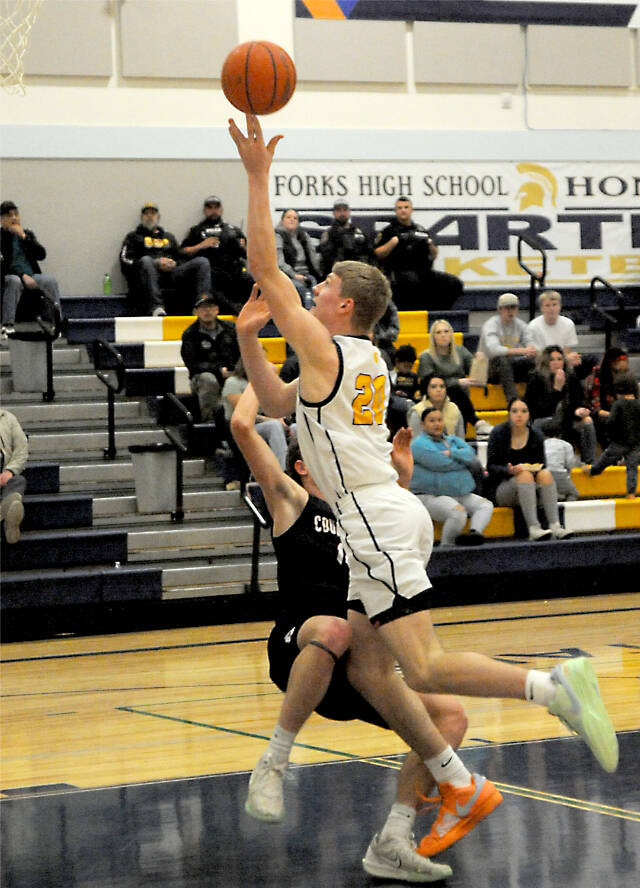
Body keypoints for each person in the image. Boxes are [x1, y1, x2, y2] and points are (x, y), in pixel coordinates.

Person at [228, 113, 618, 863]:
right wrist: (248, 340)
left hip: (372, 518)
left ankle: (554, 685)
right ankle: (441, 793)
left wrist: (254, 174)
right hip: (385, 513)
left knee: (427, 666)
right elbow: (275, 406)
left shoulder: (329, 346)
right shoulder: (360, 357)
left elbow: (266, 266)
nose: (313, 289)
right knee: (373, 669)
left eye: (325, 286)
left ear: (344, 306)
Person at [231, 384, 464, 882]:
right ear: (302, 465)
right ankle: (274, 762)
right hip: (300, 645)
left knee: (451, 717)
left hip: (357, 669)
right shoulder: (292, 502)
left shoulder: (360, 515)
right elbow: (242, 428)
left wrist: (401, 479)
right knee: (335, 627)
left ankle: (393, 841)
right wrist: (262, 375)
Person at [486, 397, 573, 541]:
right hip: (502, 488)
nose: (519, 415)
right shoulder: (498, 433)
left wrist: (533, 469)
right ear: (509, 414)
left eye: (523, 411)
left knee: (545, 473)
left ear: (529, 414)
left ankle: (555, 525)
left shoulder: (536, 435)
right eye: (515, 411)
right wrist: (508, 470)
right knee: (524, 475)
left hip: (531, 487)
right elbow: (491, 467)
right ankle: (533, 527)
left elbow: (542, 464)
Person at [410, 407, 494, 546]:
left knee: (485, 505)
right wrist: (462, 463)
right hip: (432, 495)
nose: (437, 424)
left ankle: (474, 533)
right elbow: (439, 463)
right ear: (423, 425)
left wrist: (452, 453)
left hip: (458, 492)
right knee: (458, 513)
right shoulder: (418, 445)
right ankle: (446, 547)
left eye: (439, 420)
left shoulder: (452, 440)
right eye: (432, 421)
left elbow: (471, 455)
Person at [119, 202, 211, 316]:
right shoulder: (133, 237)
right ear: (141, 217)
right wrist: (155, 263)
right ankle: (157, 307)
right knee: (146, 260)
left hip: (171, 275)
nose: (149, 216)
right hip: (147, 276)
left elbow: (180, 257)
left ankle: (203, 304)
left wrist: (174, 263)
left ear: (158, 216)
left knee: (202, 262)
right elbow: (125, 260)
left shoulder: (168, 237)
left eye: (153, 213)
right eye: (146, 213)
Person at [374, 196, 462, 311]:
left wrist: (430, 244)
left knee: (454, 283)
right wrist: (394, 241)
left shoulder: (420, 230)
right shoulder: (389, 231)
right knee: (412, 281)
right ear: (396, 211)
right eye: (400, 208)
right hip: (399, 273)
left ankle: (440, 312)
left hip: (424, 272)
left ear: (411, 210)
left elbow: (434, 255)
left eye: (406, 207)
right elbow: (377, 253)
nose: (403, 210)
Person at [417, 319, 493, 439]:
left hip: (462, 396)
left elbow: (473, 371)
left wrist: (480, 362)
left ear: (451, 334)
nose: (443, 335)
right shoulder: (426, 356)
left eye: (446, 331)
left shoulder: (460, 351)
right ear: (433, 336)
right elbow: (428, 384)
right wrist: (457, 382)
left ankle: (474, 428)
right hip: (437, 396)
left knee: (459, 397)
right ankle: (477, 423)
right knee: (455, 392)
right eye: (439, 332)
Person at [221, 357, 288, 490]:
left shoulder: (264, 384)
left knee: (296, 428)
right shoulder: (233, 382)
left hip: (261, 424)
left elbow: (273, 406)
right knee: (273, 427)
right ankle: (284, 474)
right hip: (241, 427)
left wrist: (280, 417)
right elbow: (244, 414)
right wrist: (272, 420)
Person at [180, 195, 253, 315]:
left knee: (254, 281)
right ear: (205, 211)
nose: (213, 210)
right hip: (210, 271)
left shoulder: (233, 229)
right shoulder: (196, 230)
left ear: (221, 210)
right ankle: (235, 308)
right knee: (209, 284)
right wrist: (202, 245)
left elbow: (249, 254)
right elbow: (182, 252)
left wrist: (243, 246)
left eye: (216, 207)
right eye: (210, 207)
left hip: (233, 270)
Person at [525, 346, 596, 463]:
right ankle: (539, 460)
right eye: (552, 360)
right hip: (542, 420)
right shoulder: (536, 379)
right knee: (538, 426)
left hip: (566, 419)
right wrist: (557, 390)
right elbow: (540, 411)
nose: (557, 363)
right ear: (546, 362)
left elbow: (578, 401)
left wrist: (578, 411)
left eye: (559, 359)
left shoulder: (571, 377)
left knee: (587, 421)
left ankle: (590, 462)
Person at [1, 200, 61, 334]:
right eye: (10, 215)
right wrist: (22, 276)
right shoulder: (1, 237)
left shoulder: (27, 235)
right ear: (2, 219)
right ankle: (7, 325)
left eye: (16, 214)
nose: (14, 218)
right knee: (13, 281)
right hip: (11, 276)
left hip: (32, 275)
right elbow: (2, 265)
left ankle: (56, 323)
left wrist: (23, 236)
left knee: (49, 280)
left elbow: (41, 254)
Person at [180, 293, 240, 421]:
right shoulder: (190, 334)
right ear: (195, 311)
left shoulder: (231, 328)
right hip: (202, 376)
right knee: (209, 379)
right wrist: (218, 370)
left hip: (231, 372)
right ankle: (211, 421)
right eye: (203, 308)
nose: (207, 311)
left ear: (217, 309)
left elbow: (241, 353)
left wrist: (236, 370)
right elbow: (192, 365)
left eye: (211, 307)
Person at [583, 373, 640, 499]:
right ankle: (631, 493)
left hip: (620, 442)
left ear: (618, 389)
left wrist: (610, 432)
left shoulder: (618, 404)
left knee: (606, 458)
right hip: (635, 443)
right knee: (632, 468)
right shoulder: (638, 404)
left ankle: (593, 471)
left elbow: (612, 421)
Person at [477, 292, 537, 402]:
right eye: (506, 308)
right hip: (488, 367)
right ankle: (513, 401)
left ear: (517, 309)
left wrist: (531, 351)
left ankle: (533, 401)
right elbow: (494, 350)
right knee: (502, 360)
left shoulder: (521, 325)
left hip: (509, 367)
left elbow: (531, 345)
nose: (510, 311)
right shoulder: (491, 325)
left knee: (534, 361)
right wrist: (523, 350)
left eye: (513, 307)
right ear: (500, 309)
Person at [275, 209, 321, 307]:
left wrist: (319, 272)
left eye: (295, 218)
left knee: (315, 286)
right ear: (282, 220)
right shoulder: (277, 236)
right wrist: (294, 275)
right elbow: (280, 263)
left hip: (306, 274)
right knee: (301, 288)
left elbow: (313, 257)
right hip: (287, 275)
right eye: (288, 217)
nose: (292, 220)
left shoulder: (303, 236)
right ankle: (308, 312)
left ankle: (313, 312)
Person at [317, 198, 371, 277]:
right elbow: (326, 259)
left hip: (357, 271)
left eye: (345, 210)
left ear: (349, 212)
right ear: (334, 213)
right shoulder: (328, 234)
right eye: (339, 210)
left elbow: (367, 252)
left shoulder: (358, 232)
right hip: (336, 273)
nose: (342, 213)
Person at [527, 290, 581, 368]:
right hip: (542, 364)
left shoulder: (568, 324)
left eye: (554, 305)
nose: (551, 309)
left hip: (562, 361)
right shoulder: (533, 326)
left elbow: (567, 350)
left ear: (560, 306)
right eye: (547, 305)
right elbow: (536, 354)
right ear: (541, 308)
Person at [0, 408, 28, 544]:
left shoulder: (8, 418)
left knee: (19, 480)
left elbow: (22, 449)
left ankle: (10, 509)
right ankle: (6, 517)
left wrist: (10, 471)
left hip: (4, 474)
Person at [408, 375, 464, 439]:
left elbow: (461, 441)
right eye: (433, 387)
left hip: (453, 448)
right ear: (426, 390)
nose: (439, 390)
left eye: (442, 386)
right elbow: (415, 444)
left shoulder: (454, 409)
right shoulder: (417, 411)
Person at [543, 425, 580, 502]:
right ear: (560, 434)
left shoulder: (541, 444)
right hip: (559, 474)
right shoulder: (566, 445)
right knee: (573, 493)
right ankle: (568, 512)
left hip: (543, 474)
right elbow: (570, 463)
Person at [372, 297, 400, 370]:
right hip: (363, 341)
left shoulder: (389, 304)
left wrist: (379, 337)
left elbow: (394, 329)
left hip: (384, 342)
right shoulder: (358, 302)